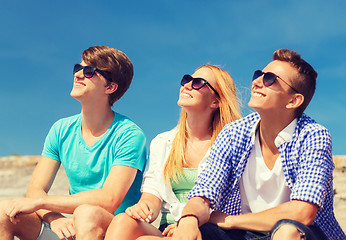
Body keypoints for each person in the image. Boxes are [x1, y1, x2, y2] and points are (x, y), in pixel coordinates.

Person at [171, 49, 346, 240]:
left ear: (293, 100)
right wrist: (189, 220)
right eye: (258, 75)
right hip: (245, 234)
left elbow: (302, 212)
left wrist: (231, 220)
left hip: (304, 233)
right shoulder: (233, 133)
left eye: (270, 79)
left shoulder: (313, 136)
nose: (256, 82)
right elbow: (203, 193)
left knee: (287, 231)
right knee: (199, 232)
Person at [0, 46, 147, 240]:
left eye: (89, 72)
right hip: (74, 228)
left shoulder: (129, 135)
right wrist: (55, 218)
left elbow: (109, 199)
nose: (78, 74)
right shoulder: (61, 129)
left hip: (112, 230)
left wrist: (41, 202)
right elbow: (35, 191)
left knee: (87, 213)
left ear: (110, 87)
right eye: (78, 68)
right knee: (5, 211)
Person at [101, 65, 241, 240]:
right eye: (187, 80)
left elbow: (231, 205)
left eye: (198, 83)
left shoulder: (229, 143)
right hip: (167, 228)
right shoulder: (163, 141)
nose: (187, 85)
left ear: (216, 101)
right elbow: (152, 194)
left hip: (208, 228)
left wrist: (188, 224)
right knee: (123, 221)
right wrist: (143, 208)